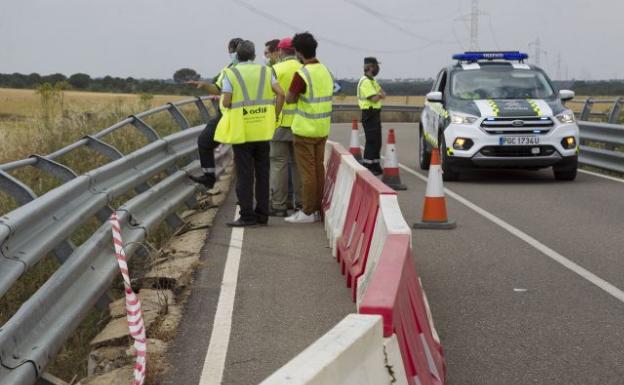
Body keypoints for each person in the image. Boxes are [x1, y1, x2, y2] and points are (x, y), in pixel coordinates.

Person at [213, 40, 285, 227]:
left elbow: (227, 101)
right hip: (263, 129)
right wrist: (274, 115)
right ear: (253, 56)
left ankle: (247, 216)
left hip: (242, 130)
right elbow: (281, 94)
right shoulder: (266, 71)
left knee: (245, 174)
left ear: (237, 56)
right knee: (263, 173)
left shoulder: (231, 73)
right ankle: (262, 215)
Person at [285, 32, 334, 224]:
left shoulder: (302, 73)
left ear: (298, 52)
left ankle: (307, 211)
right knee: (318, 169)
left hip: (305, 130)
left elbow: (290, 98)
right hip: (322, 128)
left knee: (307, 172)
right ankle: (318, 208)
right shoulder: (325, 71)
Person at [185, 37, 243, 189]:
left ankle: (210, 177)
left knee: (205, 141)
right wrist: (203, 85)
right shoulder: (255, 69)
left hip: (228, 115)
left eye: (232, 51)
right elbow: (218, 88)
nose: (232, 54)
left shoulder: (230, 70)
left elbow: (222, 93)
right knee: (245, 156)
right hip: (250, 116)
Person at [269, 37, 303, 217]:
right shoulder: (304, 69)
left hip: (279, 123)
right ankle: (301, 204)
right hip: (300, 124)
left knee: (278, 164)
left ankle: (279, 205)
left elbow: (270, 96)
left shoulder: (275, 69)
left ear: (281, 51)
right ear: (295, 51)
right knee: (298, 165)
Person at [357, 57, 386, 175]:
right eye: (375, 66)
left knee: (377, 141)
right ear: (369, 67)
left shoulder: (372, 81)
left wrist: (379, 95)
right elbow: (374, 98)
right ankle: (368, 166)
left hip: (375, 113)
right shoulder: (365, 81)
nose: (377, 69)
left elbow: (383, 93)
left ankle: (375, 165)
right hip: (369, 113)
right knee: (371, 141)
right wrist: (379, 95)